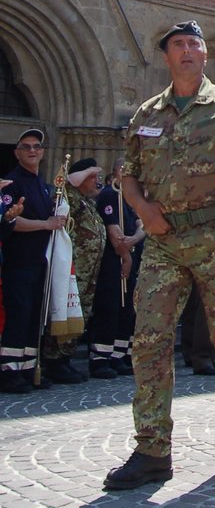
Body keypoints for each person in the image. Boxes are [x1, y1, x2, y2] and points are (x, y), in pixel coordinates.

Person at [103, 21, 215, 490]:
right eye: (178, 44)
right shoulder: (147, 113)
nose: (186, 51)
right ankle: (152, 450)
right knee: (149, 341)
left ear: (205, 54)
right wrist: (143, 209)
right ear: (166, 55)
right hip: (164, 242)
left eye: (194, 44)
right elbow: (129, 175)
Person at [0, 129, 67, 394]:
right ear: (17, 153)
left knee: (33, 318)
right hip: (18, 261)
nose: (32, 150)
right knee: (18, 316)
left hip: (40, 261)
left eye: (36, 146)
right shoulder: (11, 182)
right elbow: (11, 222)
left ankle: (28, 368)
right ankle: (9, 372)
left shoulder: (41, 183)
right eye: (26, 147)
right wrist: (46, 224)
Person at [43, 158, 106, 384]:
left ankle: (65, 358)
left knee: (80, 315)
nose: (97, 182)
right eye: (92, 177)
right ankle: (53, 360)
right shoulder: (72, 200)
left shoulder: (88, 202)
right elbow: (65, 188)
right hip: (73, 270)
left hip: (88, 272)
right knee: (63, 312)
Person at [89, 157, 145, 378]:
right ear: (116, 172)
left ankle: (119, 354)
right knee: (109, 308)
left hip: (130, 255)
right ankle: (101, 357)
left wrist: (133, 241)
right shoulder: (109, 195)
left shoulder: (129, 197)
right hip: (114, 261)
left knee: (126, 310)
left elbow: (143, 226)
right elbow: (114, 231)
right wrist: (126, 253)